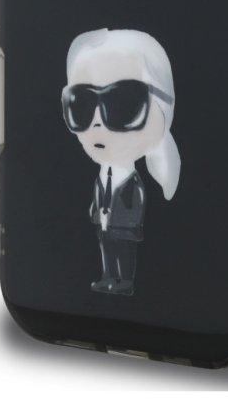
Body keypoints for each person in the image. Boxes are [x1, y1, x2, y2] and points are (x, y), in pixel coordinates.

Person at [61, 29, 180, 295]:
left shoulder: (132, 181)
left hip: (124, 228)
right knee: (107, 251)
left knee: (123, 253)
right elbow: (99, 196)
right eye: (81, 104)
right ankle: (108, 277)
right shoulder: (103, 175)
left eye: (124, 104)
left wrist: (125, 221)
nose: (97, 122)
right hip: (105, 226)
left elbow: (133, 200)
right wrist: (97, 214)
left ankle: (124, 281)